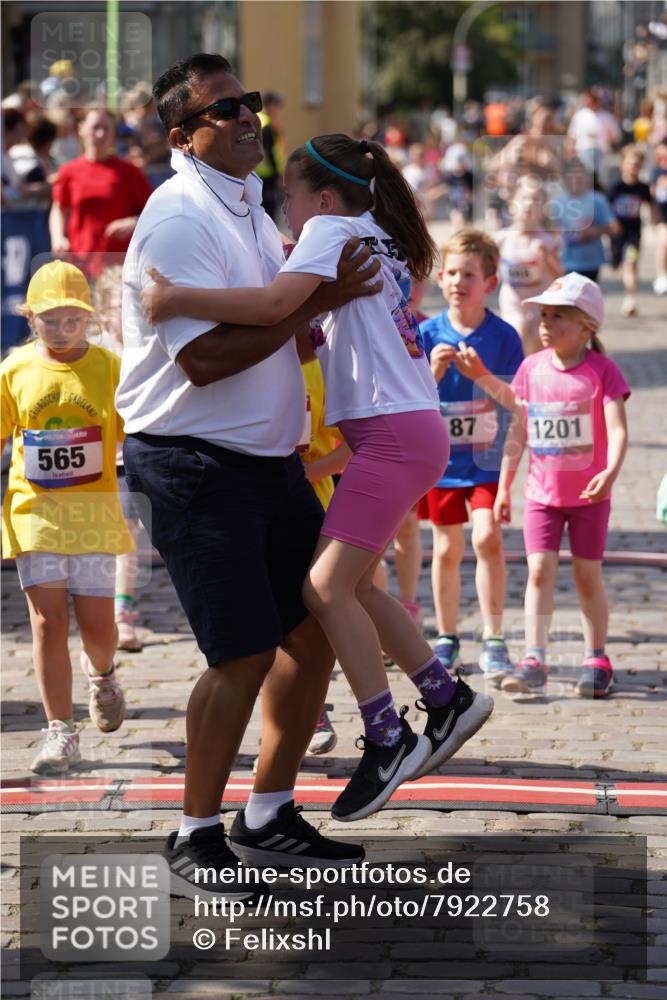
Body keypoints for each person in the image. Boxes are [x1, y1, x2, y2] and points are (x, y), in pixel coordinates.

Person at [142, 131, 494, 824]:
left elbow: (276, 307)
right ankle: (446, 699)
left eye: (290, 200)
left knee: (322, 588)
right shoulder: (378, 233)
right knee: (354, 587)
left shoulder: (329, 229)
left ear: (323, 197)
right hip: (406, 426)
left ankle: (388, 736)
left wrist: (174, 298)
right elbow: (307, 328)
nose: (286, 214)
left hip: (391, 432)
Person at [115, 54, 382, 898]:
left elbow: (275, 333)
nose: (246, 118)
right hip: (192, 460)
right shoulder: (178, 219)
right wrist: (314, 304)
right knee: (240, 653)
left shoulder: (253, 210)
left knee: (308, 638)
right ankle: (193, 836)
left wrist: (318, 325)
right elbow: (206, 361)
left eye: (251, 102)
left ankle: (266, 814)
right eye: (222, 109)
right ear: (181, 134)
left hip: (264, 460)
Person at [0, 261, 132, 773]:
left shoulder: (108, 368)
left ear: (90, 319)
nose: (60, 330)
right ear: (29, 318)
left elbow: (133, 431)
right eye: (49, 320)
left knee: (98, 625)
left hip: (94, 514)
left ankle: (102, 675)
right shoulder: (13, 370)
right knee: (47, 622)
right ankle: (59, 732)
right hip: (34, 514)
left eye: (71, 320)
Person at [493, 274, 630, 698]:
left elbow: (619, 430)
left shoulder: (602, 371)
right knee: (538, 571)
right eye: (544, 315)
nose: (545, 323)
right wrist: (503, 488)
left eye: (558, 317)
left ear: (588, 326)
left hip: (590, 497)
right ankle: (534, 656)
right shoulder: (531, 369)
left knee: (587, 576)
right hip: (542, 497)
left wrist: (609, 472)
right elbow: (517, 433)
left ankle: (597, 657)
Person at [416, 230, 524, 685]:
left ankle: (494, 638)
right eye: (453, 273)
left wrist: (480, 375)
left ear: (490, 283)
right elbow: (411, 398)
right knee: (445, 546)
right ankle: (447, 636)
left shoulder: (503, 336)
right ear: (440, 278)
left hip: (484, 461)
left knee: (486, 540)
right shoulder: (425, 332)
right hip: (442, 461)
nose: (460, 281)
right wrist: (435, 371)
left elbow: (518, 403)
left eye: (470, 275)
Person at [94, 266, 144, 651]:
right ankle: (97, 609)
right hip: (95, 460)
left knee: (127, 534)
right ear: (101, 311)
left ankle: (121, 612)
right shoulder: (95, 351)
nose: (125, 316)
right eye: (117, 308)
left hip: (130, 459)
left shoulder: (146, 347)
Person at [49, 107, 153, 277]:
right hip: (80, 264)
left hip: (119, 267)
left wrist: (133, 222)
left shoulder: (129, 172)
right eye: (95, 127)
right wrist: (58, 238)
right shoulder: (69, 171)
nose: (100, 134)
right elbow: (58, 208)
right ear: (81, 129)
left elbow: (153, 212)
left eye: (106, 129)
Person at [553, 159, 618, 283]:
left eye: (580, 175)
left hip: (591, 262)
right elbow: (548, 230)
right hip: (564, 262)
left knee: (586, 301)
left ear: (587, 178)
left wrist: (592, 231)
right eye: (572, 176)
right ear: (565, 179)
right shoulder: (556, 203)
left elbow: (615, 228)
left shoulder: (597, 200)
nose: (576, 180)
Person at [607, 144, 653, 318]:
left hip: (634, 233)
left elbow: (650, 206)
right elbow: (606, 208)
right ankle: (615, 260)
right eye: (631, 163)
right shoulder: (615, 186)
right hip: (616, 234)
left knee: (630, 264)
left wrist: (656, 220)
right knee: (615, 264)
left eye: (638, 164)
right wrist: (609, 225)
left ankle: (630, 299)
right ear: (622, 165)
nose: (634, 168)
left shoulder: (642, 187)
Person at [650, 141, 667, 295]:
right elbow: (652, 193)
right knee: (664, 242)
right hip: (662, 216)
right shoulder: (656, 171)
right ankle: (661, 276)